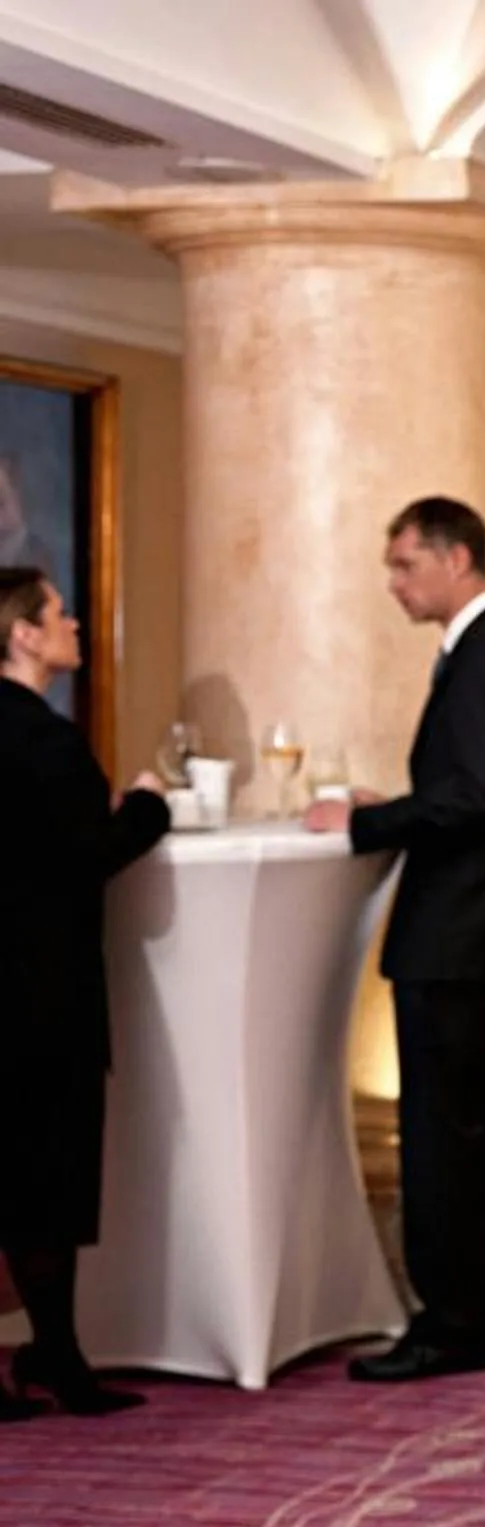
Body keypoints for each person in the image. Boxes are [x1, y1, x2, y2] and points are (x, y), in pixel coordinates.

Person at [306, 497, 485, 1380]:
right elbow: (483, 786)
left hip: (462, 932)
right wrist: (404, 807)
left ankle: (453, 1324)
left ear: (457, 559)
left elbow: (480, 795)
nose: (394, 584)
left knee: (447, 1131)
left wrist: (362, 824)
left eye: (405, 564)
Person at [0, 568, 165, 1417]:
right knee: (46, 1181)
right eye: (59, 613)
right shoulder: (47, 741)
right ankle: (58, 1357)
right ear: (23, 634)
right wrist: (149, 808)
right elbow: (90, 854)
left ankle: (52, 1358)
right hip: (41, 991)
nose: (74, 626)